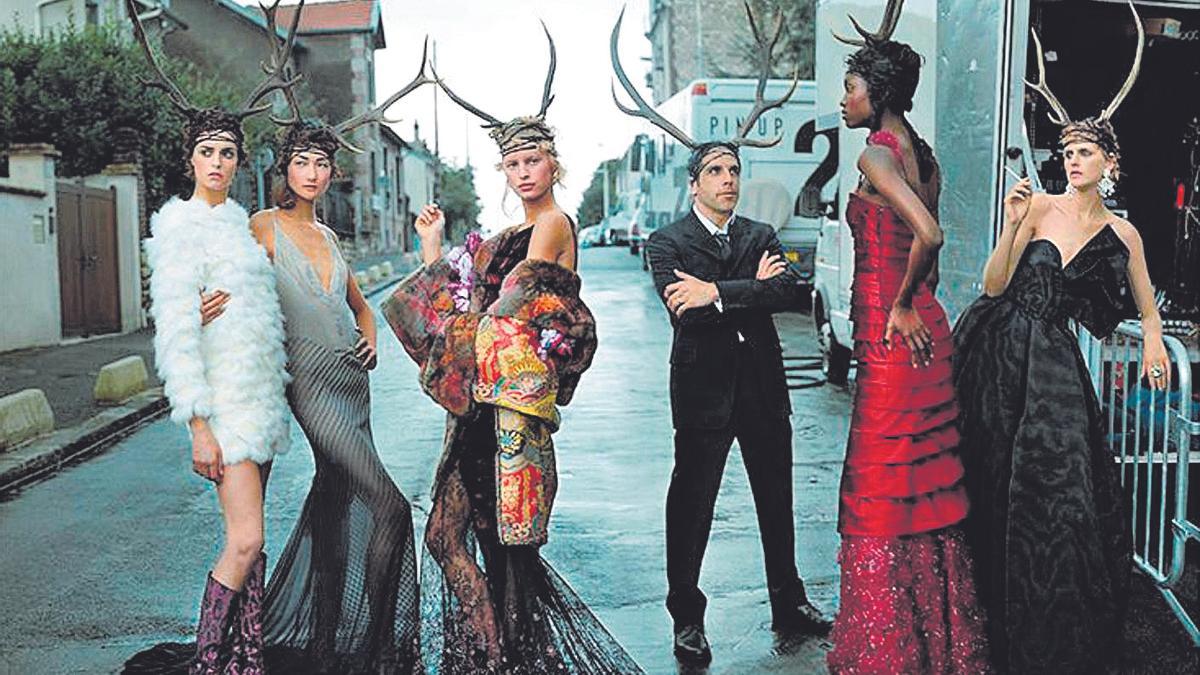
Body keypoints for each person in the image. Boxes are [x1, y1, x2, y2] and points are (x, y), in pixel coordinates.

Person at [381, 25, 642, 674]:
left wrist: (463, 309)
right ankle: (494, 653)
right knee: (449, 537)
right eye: (513, 164)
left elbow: (502, 314)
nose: (524, 172)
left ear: (554, 163)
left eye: (534, 160)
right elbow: (470, 303)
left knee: (498, 547)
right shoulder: (507, 232)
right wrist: (435, 250)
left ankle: (506, 659)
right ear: (504, 170)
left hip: (508, 413)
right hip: (480, 408)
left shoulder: (551, 224)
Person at [196, 49, 434, 672]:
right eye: (301, 161)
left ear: (331, 175)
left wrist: (373, 337)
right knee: (388, 505)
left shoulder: (328, 235)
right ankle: (375, 648)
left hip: (352, 384)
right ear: (285, 170)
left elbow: (359, 306)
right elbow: (225, 287)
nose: (311, 172)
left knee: (334, 509)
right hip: (308, 387)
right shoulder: (261, 226)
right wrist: (199, 307)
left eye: (322, 164)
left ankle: (330, 648)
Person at [611, 4, 832, 666]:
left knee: (776, 499)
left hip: (765, 389)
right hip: (703, 394)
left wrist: (719, 292)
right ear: (694, 182)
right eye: (716, 172)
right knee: (693, 506)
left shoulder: (760, 234)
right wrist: (735, 293)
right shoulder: (666, 240)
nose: (729, 181)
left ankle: (788, 600)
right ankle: (687, 616)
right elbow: (686, 310)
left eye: (734, 172)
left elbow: (788, 290)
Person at [953, 4, 1164, 671]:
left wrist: (1155, 341)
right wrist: (1015, 225)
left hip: (1054, 364)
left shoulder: (1123, 233)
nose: (1072, 160)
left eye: (1085, 152)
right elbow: (990, 286)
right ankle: (987, 612)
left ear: (1110, 162)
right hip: (997, 348)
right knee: (992, 481)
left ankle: (1056, 626)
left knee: (1063, 487)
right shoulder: (1037, 204)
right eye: (1067, 151)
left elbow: (1145, 303)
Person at [120, 1, 298, 672]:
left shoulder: (241, 226)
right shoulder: (180, 230)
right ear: (189, 158)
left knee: (252, 539)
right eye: (206, 151)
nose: (217, 161)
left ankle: (244, 660)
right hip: (222, 409)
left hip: (259, 402)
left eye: (227, 151)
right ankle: (207, 661)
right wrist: (197, 424)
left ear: (238, 159)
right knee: (245, 539)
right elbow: (175, 335)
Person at [822, 1, 993, 672]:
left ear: (878, 94)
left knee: (879, 490)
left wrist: (898, 306)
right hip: (919, 339)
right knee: (917, 492)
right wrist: (915, 302)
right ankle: (934, 640)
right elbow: (931, 244)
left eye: (851, 88)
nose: (844, 99)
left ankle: (890, 649)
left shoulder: (875, 156)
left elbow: (930, 233)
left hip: (896, 344)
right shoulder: (923, 153)